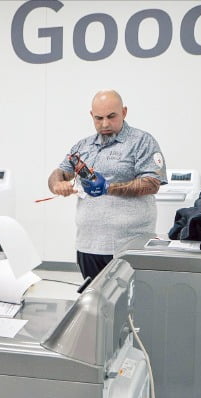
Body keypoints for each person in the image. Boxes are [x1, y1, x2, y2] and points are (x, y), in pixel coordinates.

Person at [48, 89, 167, 280]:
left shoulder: (142, 141)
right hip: (88, 245)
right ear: (91, 116)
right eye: (99, 118)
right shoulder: (82, 146)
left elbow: (152, 183)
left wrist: (108, 188)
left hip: (129, 245)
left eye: (112, 117)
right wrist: (57, 184)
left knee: (131, 306)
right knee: (94, 303)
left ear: (124, 112)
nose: (105, 124)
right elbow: (60, 172)